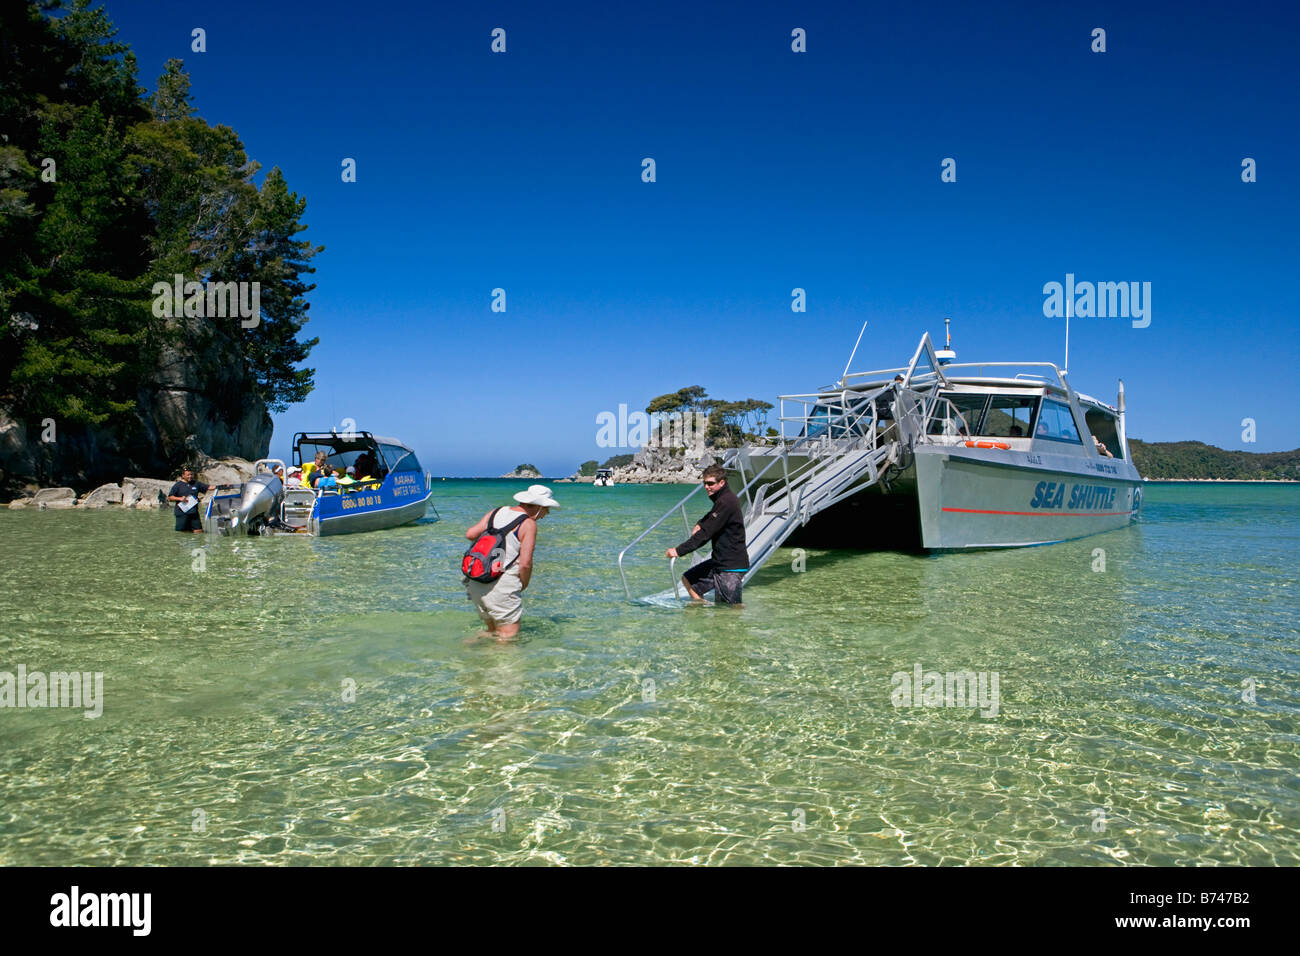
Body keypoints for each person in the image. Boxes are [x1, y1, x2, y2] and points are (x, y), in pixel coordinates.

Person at [463, 485, 558, 641]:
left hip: (477, 580)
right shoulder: (528, 524)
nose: (547, 514)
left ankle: (469, 655)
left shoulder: (496, 512)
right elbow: (525, 563)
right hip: (501, 585)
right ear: (540, 507)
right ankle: (494, 664)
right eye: (547, 509)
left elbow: (470, 534)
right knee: (508, 637)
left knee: (491, 631)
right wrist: (524, 583)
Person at [665, 464, 749, 605]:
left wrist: (678, 551)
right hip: (719, 562)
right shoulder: (722, 500)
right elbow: (712, 517)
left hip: (730, 566)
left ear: (722, 483)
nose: (706, 487)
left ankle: (735, 625)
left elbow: (705, 534)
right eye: (704, 483)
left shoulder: (727, 501)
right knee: (689, 579)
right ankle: (703, 615)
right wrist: (700, 523)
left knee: (731, 610)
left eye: (710, 483)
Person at [167, 467, 209, 533]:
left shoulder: (196, 483)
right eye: (188, 475)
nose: (190, 476)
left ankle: (197, 542)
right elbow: (170, 497)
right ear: (183, 476)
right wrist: (180, 498)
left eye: (191, 474)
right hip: (182, 513)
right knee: (183, 533)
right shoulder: (177, 485)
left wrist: (222, 487)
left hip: (194, 513)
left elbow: (208, 487)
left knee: (199, 531)